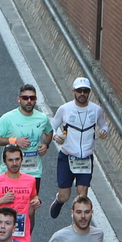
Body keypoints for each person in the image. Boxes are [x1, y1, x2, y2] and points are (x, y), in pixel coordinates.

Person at [48, 78, 110, 219]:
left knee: (82, 197)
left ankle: (77, 224)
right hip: (67, 156)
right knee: (65, 195)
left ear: (89, 92)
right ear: (73, 91)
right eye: (79, 91)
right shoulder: (65, 109)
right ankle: (59, 200)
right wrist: (56, 136)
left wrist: (104, 131)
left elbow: (104, 124)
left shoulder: (96, 110)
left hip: (86, 158)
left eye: (86, 91)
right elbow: (52, 125)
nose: (82, 93)